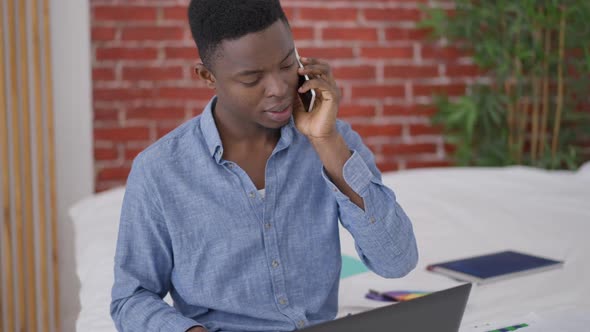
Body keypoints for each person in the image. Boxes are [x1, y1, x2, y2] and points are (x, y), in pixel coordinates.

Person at [110, 0, 418, 331]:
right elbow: (132, 298)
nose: (278, 89)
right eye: (252, 77)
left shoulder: (332, 140)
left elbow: (397, 261)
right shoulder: (160, 171)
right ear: (207, 76)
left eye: (287, 65)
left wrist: (325, 141)